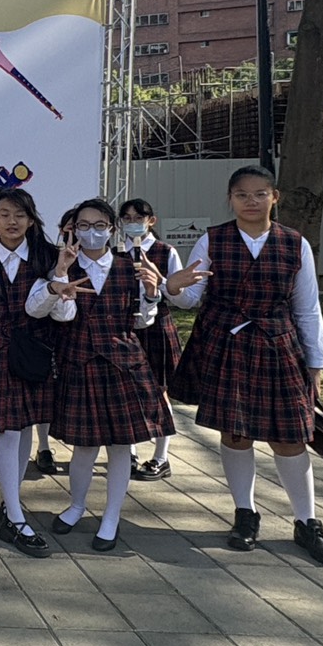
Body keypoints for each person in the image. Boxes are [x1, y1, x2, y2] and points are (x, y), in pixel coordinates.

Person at [165, 165, 323, 566]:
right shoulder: (212, 240)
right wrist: (172, 287)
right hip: (227, 344)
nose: (251, 201)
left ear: (274, 197)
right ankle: (245, 514)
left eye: (260, 193)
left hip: (279, 346)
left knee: (291, 437)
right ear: (230, 199)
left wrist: (315, 362)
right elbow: (189, 297)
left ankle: (307, 522)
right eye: (242, 194)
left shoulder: (295, 244)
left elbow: (308, 308)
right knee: (236, 433)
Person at [27, 199, 170, 552]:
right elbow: (58, 316)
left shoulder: (130, 266)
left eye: (99, 225)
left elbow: (142, 321)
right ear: (72, 230)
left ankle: (111, 516)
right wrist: (61, 277)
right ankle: (76, 506)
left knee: (120, 446)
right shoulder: (63, 265)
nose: (91, 232)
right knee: (84, 445)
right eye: (84, 225)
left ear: (112, 228)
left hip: (123, 363)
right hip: (79, 362)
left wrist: (152, 293)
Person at [0, 189, 61, 557]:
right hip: (0, 352)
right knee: (7, 430)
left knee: (25, 429)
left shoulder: (47, 256)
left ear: (31, 219)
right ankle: (16, 517)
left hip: (36, 350)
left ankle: (11, 502)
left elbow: (59, 305)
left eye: (20, 215)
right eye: (4, 214)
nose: (12, 222)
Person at [120, 197, 184, 482]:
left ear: (151, 221)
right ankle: (129, 451)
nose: (133, 223)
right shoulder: (116, 252)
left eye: (139, 218)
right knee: (127, 391)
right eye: (127, 218)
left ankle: (161, 456)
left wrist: (157, 280)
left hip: (157, 327)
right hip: (125, 326)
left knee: (159, 390)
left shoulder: (165, 251)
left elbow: (178, 293)